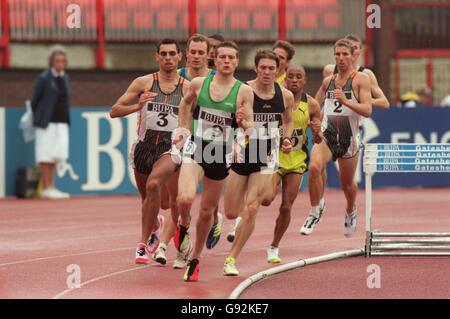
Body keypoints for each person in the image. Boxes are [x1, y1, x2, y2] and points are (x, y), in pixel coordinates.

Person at [172, 41, 254, 282]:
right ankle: (184, 224)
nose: (226, 61)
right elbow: (185, 104)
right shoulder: (199, 84)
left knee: (207, 211)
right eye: (222, 57)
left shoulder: (243, 91)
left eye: (231, 57)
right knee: (184, 199)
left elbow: (250, 127)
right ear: (214, 60)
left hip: (220, 154)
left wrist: (243, 124)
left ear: (237, 62)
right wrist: (183, 128)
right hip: (197, 146)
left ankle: (195, 258)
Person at [110, 38, 190, 265]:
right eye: (163, 54)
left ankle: (142, 245)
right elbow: (114, 111)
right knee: (148, 198)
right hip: (144, 147)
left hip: (170, 147)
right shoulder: (143, 82)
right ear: (157, 56)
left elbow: (201, 115)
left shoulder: (187, 88)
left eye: (171, 54)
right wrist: (138, 105)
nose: (167, 58)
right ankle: (155, 225)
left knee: (154, 185)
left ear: (179, 57)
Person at [303, 34, 389, 234]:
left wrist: (348, 101)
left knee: (347, 184)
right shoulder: (328, 79)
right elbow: (316, 105)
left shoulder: (363, 78)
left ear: (354, 55)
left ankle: (351, 210)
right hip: (328, 134)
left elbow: (369, 110)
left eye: (345, 54)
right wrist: (314, 120)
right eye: (337, 54)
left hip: (349, 137)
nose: (341, 58)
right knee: (314, 168)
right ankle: (315, 211)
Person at [153, 34, 222, 269]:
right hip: (181, 142)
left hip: (211, 145)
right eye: (192, 52)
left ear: (208, 55)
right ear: (187, 53)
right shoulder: (178, 77)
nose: (196, 56)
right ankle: (180, 243)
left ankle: (211, 221)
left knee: (204, 204)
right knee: (176, 201)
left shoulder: (216, 79)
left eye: (201, 53)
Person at [222, 50, 294, 276]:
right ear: (255, 68)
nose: (267, 72)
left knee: (252, 207)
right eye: (262, 68)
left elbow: (288, 120)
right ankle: (220, 221)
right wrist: (239, 123)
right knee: (232, 212)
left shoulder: (285, 96)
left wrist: (287, 139)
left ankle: (231, 259)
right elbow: (230, 118)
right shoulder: (244, 90)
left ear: (278, 70)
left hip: (267, 156)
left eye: (271, 68)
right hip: (242, 153)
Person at [263, 64, 322, 263]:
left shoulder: (312, 105)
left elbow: (319, 138)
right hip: (274, 157)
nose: (295, 80)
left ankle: (274, 246)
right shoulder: (276, 99)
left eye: (299, 77)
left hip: (296, 160)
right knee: (266, 199)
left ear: (304, 81)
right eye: (291, 77)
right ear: (285, 79)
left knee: (286, 207)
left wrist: (317, 133)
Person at [31, 45, 71, 199]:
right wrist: (40, 117)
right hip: (46, 123)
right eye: (57, 61)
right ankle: (46, 187)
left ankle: (52, 186)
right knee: (45, 155)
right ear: (52, 62)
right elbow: (35, 101)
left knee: (56, 155)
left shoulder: (65, 78)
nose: (60, 63)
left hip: (61, 122)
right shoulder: (44, 78)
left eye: (62, 61)